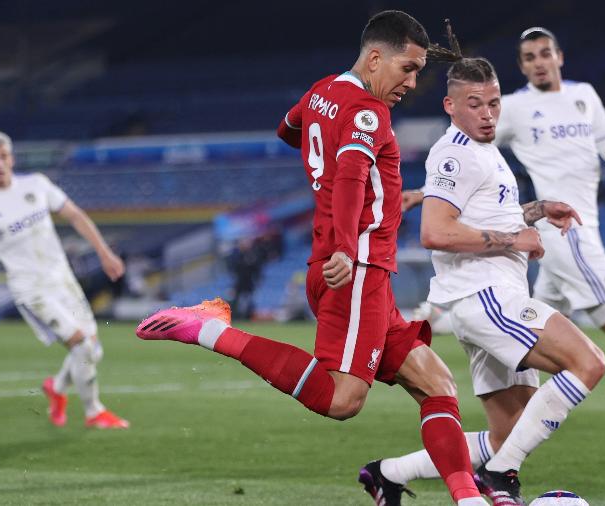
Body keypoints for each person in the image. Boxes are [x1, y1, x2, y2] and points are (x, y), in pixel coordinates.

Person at [134, 11, 486, 506]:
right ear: (375, 57)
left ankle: (468, 497)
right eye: (407, 69)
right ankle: (209, 329)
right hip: (355, 267)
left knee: (435, 381)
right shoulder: (369, 112)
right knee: (344, 399)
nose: (412, 82)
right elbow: (348, 177)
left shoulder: (322, 91)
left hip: (356, 271)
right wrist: (346, 244)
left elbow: (289, 129)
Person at [404, 27, 605, 458]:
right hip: (568, 237)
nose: (538, 61)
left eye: (545, 53)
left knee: (515, 421)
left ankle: (398, 469)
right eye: (528, 57)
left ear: (560, 56)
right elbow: (462, 155)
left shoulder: (585, 97)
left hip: (562, 224)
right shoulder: (514, 108)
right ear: (521, 67)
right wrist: (427, 193)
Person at [365, 52, 605, 505]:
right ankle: (499, 478)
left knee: (508, 433)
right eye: (474, 104)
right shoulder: (455, 154)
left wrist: (537, 210)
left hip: (492, 299)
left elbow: (488, 216)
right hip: (487, 298)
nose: (488, 114)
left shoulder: (485, 151)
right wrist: (517, 240)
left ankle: (388, 473)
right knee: (587, 362)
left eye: (494, 103)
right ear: (450, 106)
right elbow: (436, 231)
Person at [0, 131, 129, 429]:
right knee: (82, 347)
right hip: (31, 290)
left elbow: (76, 216)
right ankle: (94, 412)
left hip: (62, 280)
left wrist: (104, 253)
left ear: (12, 158)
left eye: (4, 156)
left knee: (93, 350)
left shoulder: (37, 185)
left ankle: (56, 387)